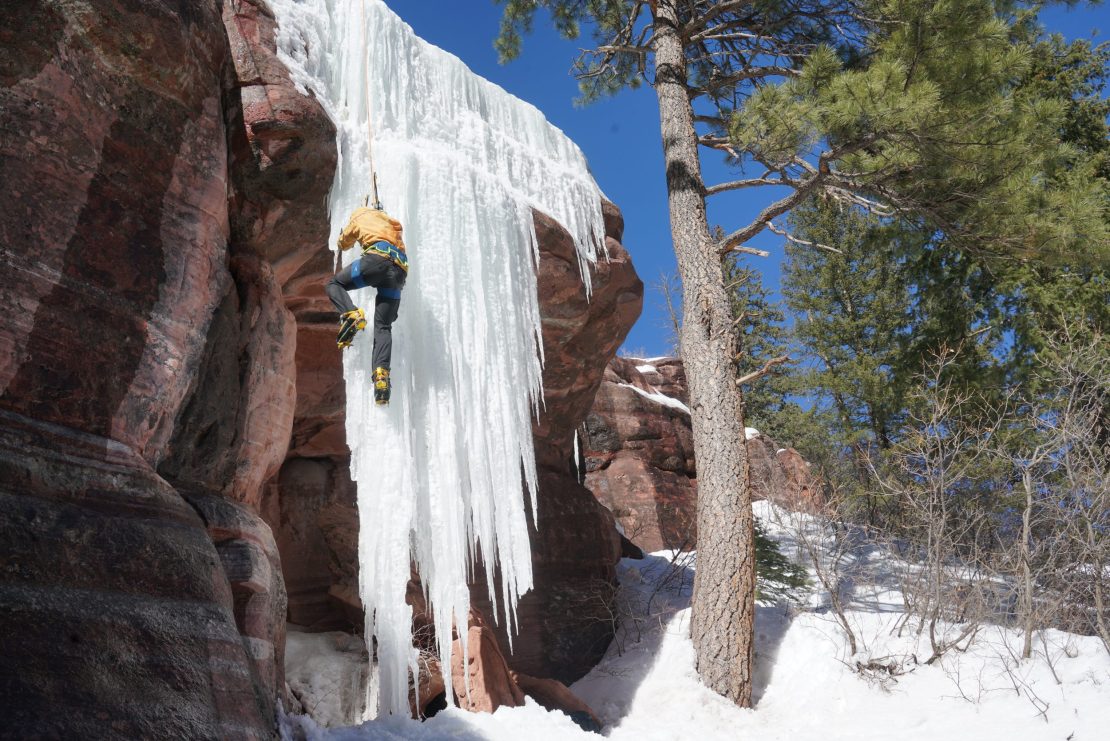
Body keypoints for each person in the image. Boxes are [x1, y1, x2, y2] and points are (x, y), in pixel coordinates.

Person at [326, 206, 409, 405]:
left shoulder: (359, 217)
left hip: (376, 261)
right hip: (399, 271)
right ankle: (381, 378)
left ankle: (351, 314)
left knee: (334, 284)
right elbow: (397, 228)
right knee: (383, 326)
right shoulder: (390, 222)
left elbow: (343, 243)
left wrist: (342, 236)